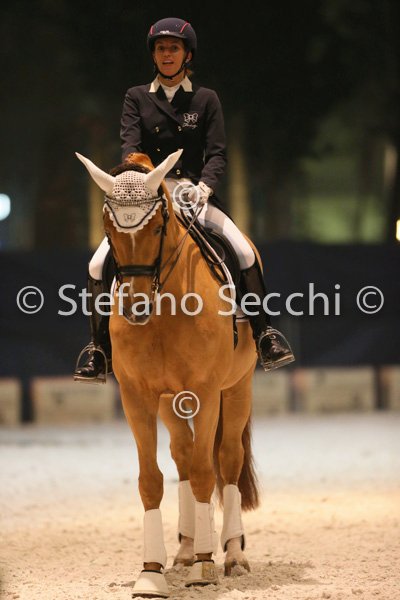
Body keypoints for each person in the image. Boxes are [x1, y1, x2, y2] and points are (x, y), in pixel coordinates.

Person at [74, 17, 294, 383]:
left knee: (242, 251)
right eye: (161, 49)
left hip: (194, 191)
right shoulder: (136, 97)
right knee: (98, 264)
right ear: (153, 55)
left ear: (187, 54)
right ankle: (99, 350)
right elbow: (130, 148)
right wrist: (140, 182)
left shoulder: (205, 99)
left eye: (173, 48)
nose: (167, 54)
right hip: (148, 194)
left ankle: (264, 334)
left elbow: (217, 153)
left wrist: (205, 186)